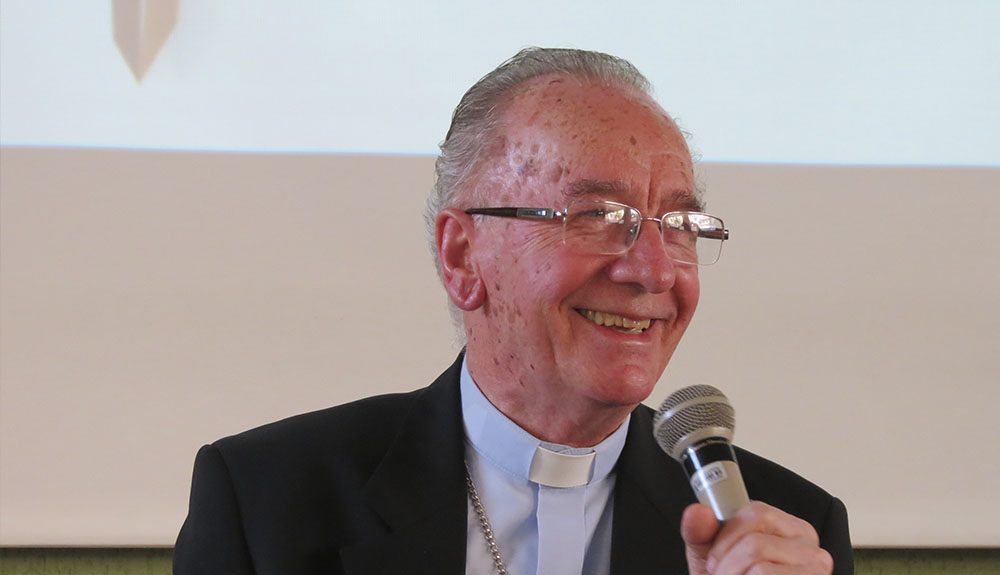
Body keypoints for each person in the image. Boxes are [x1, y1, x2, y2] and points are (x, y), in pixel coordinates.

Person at [174, 47, 853, 574]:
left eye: (678, 224)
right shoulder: (267, 502)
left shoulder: (789, 534)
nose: (652, 271)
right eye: (597, 215)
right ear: (463, 256)